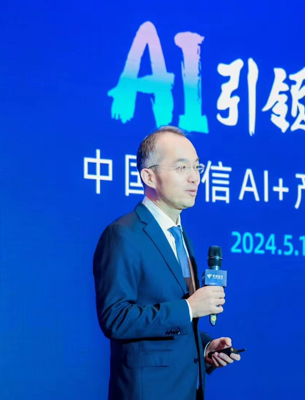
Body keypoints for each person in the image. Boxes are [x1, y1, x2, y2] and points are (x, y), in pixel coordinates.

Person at [93, 126, 241, 400]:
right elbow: (116, 318)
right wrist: (189, 308)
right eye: (182, 167)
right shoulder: (124, 234)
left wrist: (204, 348)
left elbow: (172, 320)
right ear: (149, 176)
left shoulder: (181, 237)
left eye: (197, 167)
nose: (194, 177)